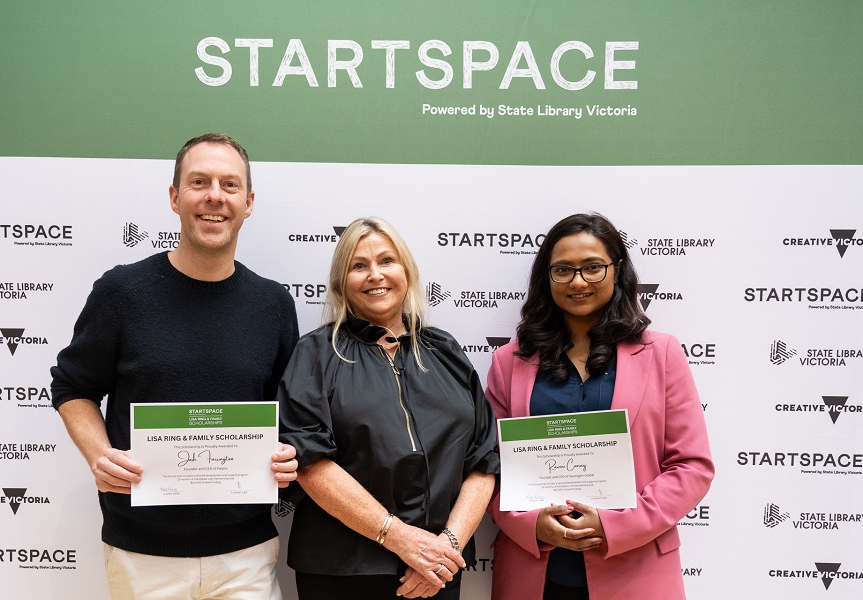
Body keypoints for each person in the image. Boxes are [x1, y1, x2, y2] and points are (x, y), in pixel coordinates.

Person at [50, 133, 300, 600]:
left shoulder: (274, 304)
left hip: (244, 555)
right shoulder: (122, 292)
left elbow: (290, 414)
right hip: (141, 556)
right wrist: (99, 454)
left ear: (248, 203)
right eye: (198, 182)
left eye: (229, 185)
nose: (214, 197)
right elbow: (71, 387)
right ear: (174, 197)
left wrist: (289, 454)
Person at [487, 213, 714, 600]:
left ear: (617, 270)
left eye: (593, 267)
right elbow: (489, 466)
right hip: (534, 572)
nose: (578, 281)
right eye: (563, 270)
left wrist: (617, 524)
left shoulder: (661, 354)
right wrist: (531, 523)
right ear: (546, 277)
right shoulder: (509, 362)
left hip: (636, 569)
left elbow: (692, 467)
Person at [278, 217, 499, 599]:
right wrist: (402, 540)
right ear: (339, 283)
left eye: (387, 261)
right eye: (358, 266)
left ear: (407, 272)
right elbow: (309, 462)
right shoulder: (314, 354)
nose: (375, 275)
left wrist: (445, 547)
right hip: (342, 573)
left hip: (438, 572)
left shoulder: (445, 351)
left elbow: (483, 460)